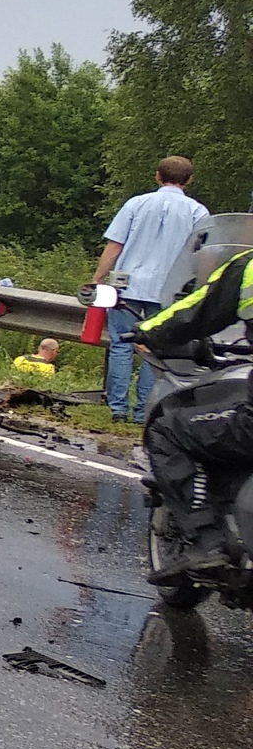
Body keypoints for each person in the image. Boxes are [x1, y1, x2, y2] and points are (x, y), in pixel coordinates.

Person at [140, 246, 253, 581]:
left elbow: (198, 309)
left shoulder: (248, 266)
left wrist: (148, 330)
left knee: (167, 431)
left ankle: (207, 541)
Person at [94, 156, 209, 423]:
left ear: (157, 175)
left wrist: (98, 278)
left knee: (121, 345)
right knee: (154, 349)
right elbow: (200, 255)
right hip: (168, 289)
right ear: (189, 180)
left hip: (127, 285)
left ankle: (117, 408)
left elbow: (115, 244)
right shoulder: (198, 212)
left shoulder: (136, 204)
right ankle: (143, 412)